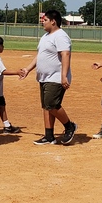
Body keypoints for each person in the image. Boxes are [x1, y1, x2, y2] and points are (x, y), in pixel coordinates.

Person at [19, 9, 77, 145]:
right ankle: (49, 136)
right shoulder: (45, 37)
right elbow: (40, 55)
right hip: (44, 77)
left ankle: (70, 126)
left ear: (53, 21)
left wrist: (64, 76)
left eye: (45, 20)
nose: (42, 23)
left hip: (56, 77)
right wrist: (28, 68)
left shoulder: (61, 36)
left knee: (52, 104)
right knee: (46, 106)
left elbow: (65, 55)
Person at [0, 36, 21, 134]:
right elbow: (3, 72)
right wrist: (17, 72)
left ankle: (7, 126)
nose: (3, 47)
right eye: (2, 45)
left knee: (2, 105)